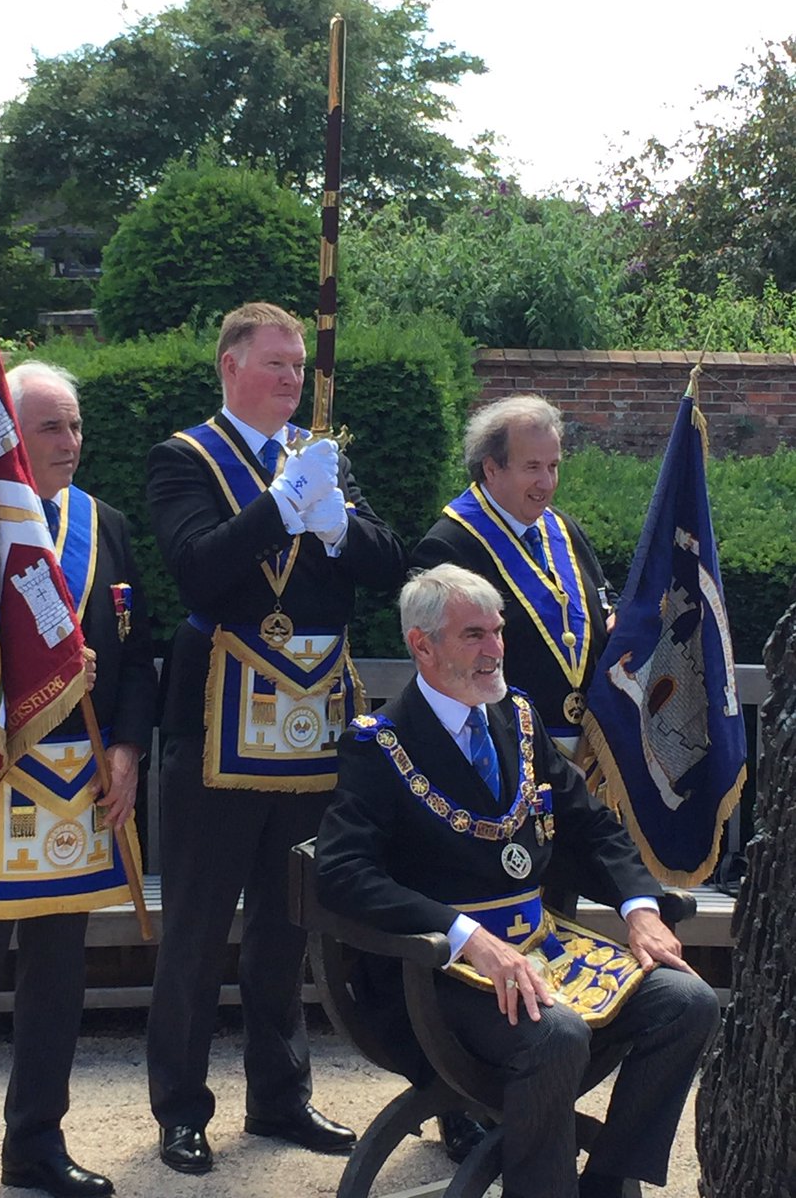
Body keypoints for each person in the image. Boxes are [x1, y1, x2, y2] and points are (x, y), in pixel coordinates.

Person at [315, 564, 720, 1198]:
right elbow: (340, 874)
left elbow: (591, 829)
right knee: (555, 1036)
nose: (495, 650)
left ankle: (607, 1182)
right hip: (433, 976)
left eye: (497, 632)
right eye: (473, 635)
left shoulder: (519, 720)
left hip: (541, 945)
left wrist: (640, 907)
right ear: (422, 645)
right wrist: (464, 935)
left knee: (687, 1003)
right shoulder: (378, 743)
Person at [145, 302, 407, 1175]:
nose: (294, 380)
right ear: (229, 367)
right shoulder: (182, 460)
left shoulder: (320, 459)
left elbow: (387, 562)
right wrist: (277, 508)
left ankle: (280, 1097)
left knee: (285, 925)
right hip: (218, 720)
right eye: (276, 365)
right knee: (196, 928)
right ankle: (180, 1109)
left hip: (307, 726)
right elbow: (198, 567)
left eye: (299, 366)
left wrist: (334, 519)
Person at [0, 362, 156, 1198]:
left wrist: (128, 751)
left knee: (57, 981)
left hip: (77, 791)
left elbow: (138, 658)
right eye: (51, 428)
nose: (71, 443)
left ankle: (37, 1146)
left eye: (76, 425)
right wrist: (29, 674)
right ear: (8, 433)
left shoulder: (104, 524)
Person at [413, 394, 615, 762]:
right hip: (503, 755)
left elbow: (602, 603)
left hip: (589, 758)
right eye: (533, 467)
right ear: (491, 469)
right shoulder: (449, 546)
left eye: (554, 466)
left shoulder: (565, 529)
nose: (546, 482)